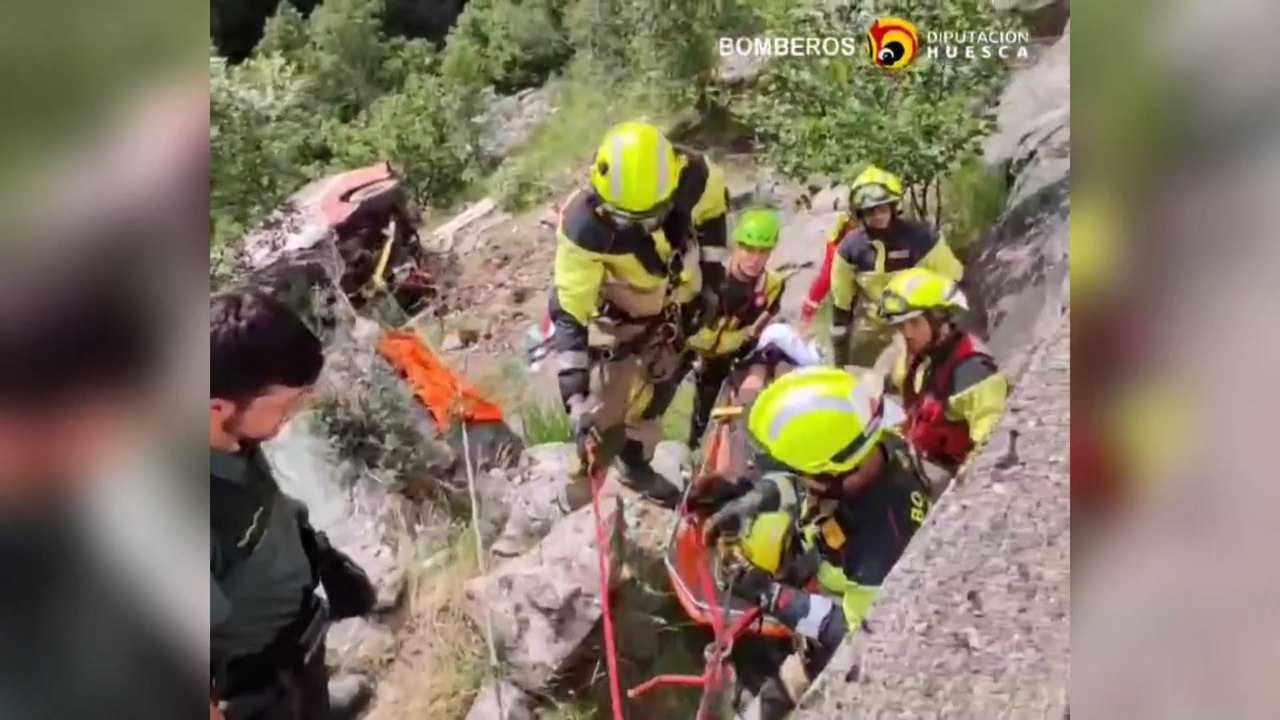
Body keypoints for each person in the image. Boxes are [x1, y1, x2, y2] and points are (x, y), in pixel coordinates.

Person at [683, 366, 932, 720]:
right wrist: (751, 500)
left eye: (801, 472)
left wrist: (769, 594)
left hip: (849, 648)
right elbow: (804, 484)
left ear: (830, 476)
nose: (796, 478)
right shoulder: (873, 448)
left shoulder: (879, 553)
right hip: (831, 581)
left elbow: (851, 633)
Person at [210, 290, 377, 720]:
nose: (293, 415)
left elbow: (267, 504)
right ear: (218, 407)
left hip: (297, 641)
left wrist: (316, 552)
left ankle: (314, 701)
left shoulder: (233, 434)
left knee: (310, 693)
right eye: (284, 405)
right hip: (256, 683)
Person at [550, 120, 730, 507]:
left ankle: (636, 464)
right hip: (622, 316)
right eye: (626, 220)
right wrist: (574, 398)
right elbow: (570, 312)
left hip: (676, 306)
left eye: (650, 217)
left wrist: (712, 284)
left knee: (660, 389)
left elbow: (714, 214)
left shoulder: (692, 175)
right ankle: (581, 491)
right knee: (603, 412)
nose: (639, 228)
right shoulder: (583, 228)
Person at [879, 268, 1008, 493]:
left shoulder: (973, 374)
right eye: (902, 325)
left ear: (938, 317)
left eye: (914, 323)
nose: (906, 333)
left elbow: (992, 451)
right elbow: (894, 385)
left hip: (949, 477)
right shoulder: (920, 356)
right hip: (920, 455)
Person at [828, 165, 964, 371]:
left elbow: (953, 280)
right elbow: (841, 306)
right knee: (861, 389)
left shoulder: (922, 238)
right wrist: (840, 361)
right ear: (860, 214)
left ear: (893, 206)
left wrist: (947, 322)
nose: (877, 215)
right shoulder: (850, 249)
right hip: (873, 332)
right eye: (869, 211)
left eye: (882, 208)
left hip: (919, 325)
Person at [678, 209, 789, 449]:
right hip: (694, 349)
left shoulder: (772, 285)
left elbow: (763, 324)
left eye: (763, 251)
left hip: (736, 352)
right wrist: (742, 335)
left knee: (732, 405)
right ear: (737, 246)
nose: (755, 258)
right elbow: (695, 334)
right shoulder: (709, 279)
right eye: (748, 249)